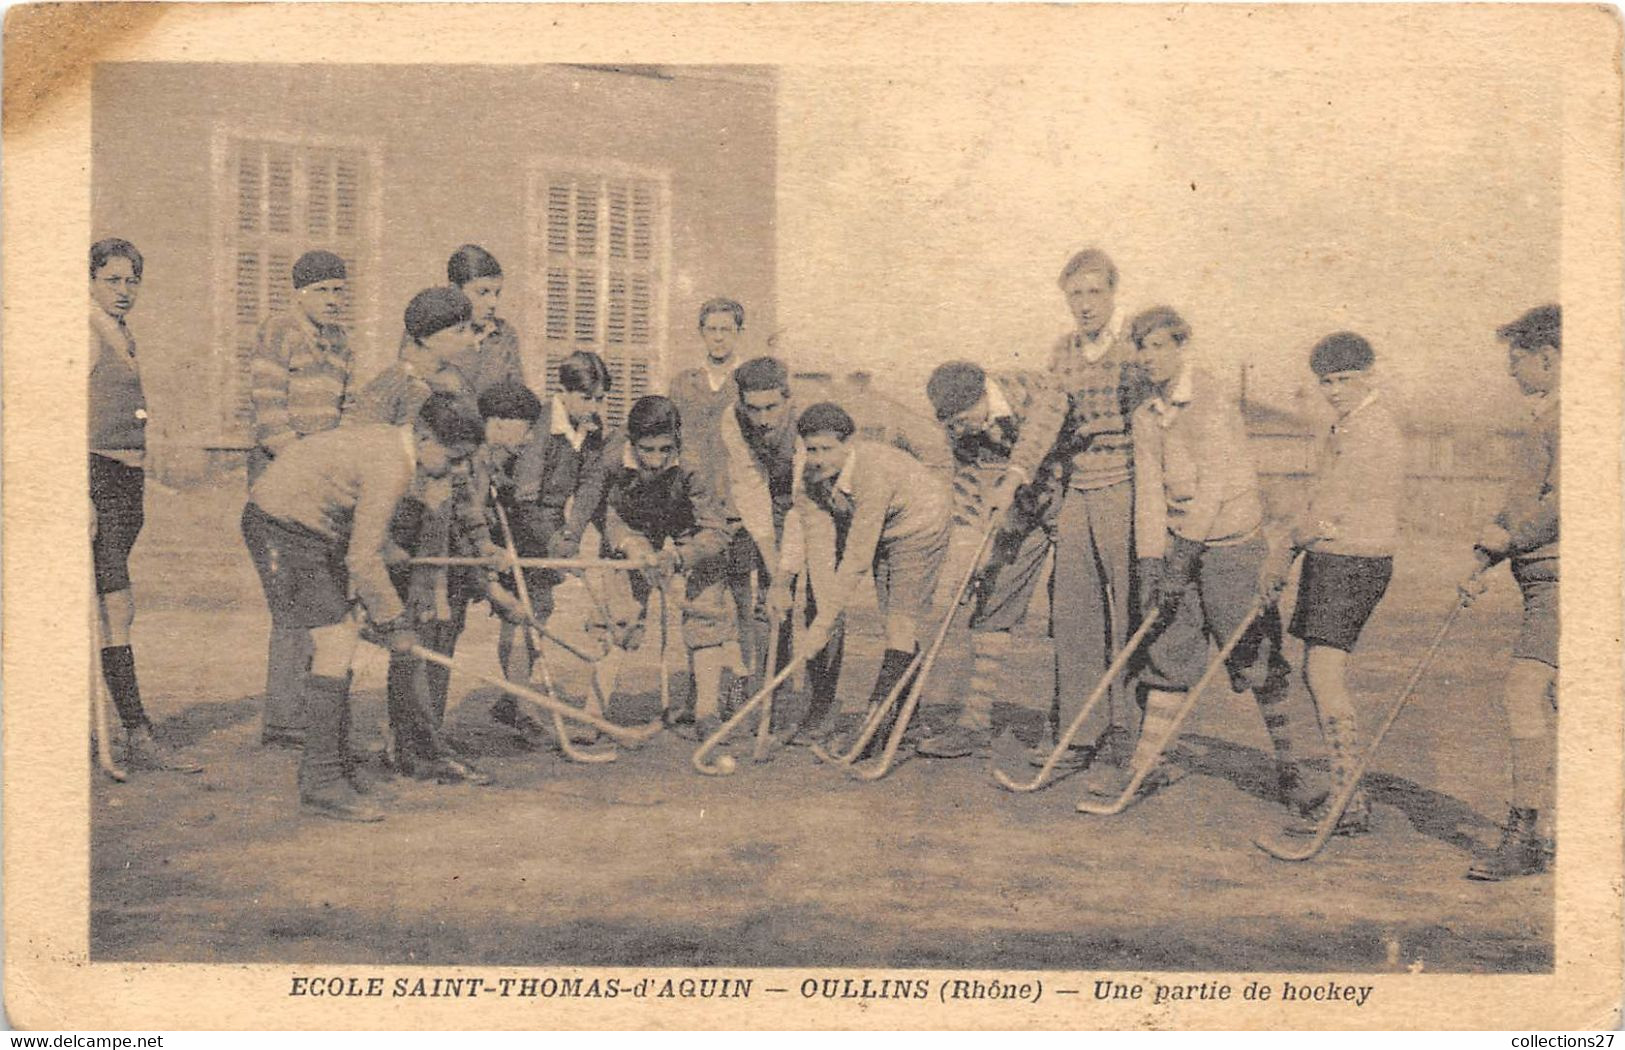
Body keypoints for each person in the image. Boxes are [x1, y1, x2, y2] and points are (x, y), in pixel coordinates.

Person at [1102, 306, 1310, 812]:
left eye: (1159, 346)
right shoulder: (1145, 415)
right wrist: (1153, 562)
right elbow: (1150, 493)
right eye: (1142, 347)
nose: (1149, 358)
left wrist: (1184, 555)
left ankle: (1296, 770)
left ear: (1181, 345)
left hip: (1231, 545)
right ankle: (1144, 767)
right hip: (1180, 548)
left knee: (1255, 658)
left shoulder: (1211, 399)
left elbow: (1214, 489)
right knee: (1168, 653)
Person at [241, 393, 485, 821]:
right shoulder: (394, 466)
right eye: (454, 456)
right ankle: (321, 781)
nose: (457, 468)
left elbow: (351, 501)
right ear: (426, 437)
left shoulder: (394, 445)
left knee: (341, 639)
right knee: (336, 642)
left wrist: (386, 547)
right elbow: (361, 559)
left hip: (313, 528)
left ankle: (335, 766)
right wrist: (396, 624)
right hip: (281, 527)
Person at [1262, 332, 1405, 837]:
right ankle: (1350, 793)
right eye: (1327, 381)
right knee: (1317, 671)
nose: (1335, 389)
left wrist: (1284, 549)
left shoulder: (1373, 430)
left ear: (1370, 375)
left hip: (1354, 559)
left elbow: (1332, 508)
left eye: (1345, 379)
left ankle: (1348, 797)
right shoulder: (1344, 425)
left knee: (1323, 673)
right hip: (1333, 557)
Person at [917, 361, 1072, 758]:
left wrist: (1013, 484)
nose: (961, 429)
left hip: (1073, 497)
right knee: (994, 603)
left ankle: (1071, 729)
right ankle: (974, 722)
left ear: (983, 395)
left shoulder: (1033, 386)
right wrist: (975, 553)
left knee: (1072, 615)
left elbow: (1035, 445)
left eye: (965, 418)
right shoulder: (960, 428)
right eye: (951, 423)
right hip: (1019, 509)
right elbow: (968, 487)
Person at [88, 238, 201, 774]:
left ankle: (126, 730)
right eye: (113, 280)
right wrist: (76, 496)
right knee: (113, 608)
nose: (125, 291)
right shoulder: (83, 332)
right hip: (93, 481)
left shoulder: (121, 334)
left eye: (132, 281)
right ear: (89, 281)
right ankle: (136, 731)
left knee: (113, 608)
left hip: (123, 483)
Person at [1458, 304, 1560, 881]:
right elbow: (1524, 501)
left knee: (1524, 694)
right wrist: (1482, 554)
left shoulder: (1572, 417)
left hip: (1564, 580)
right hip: (1540, 578)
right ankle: (1541, 835)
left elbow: (1558, 507)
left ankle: (1526, 835)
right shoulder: (1542, 417)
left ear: (1547, 358)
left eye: (1517, 358)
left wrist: (1503, 545)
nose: (1511, 370)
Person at [788, 403, 953, 752]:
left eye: (827, 449)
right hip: (886, 530)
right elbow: (820, 553)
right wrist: (824, 623)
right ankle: (907, 720)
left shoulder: (870, 473)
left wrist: (820, 626)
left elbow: (856, 559)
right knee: (893, 623)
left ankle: (874, 727)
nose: (817, 459)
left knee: (900, 622)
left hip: (921, 524)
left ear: (849, 444)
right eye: (811, 449)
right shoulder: (807, 480)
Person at [248, 249, 354, 749]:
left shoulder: (341, 342)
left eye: (339, 290)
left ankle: (315, 713)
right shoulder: (279, 331)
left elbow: (346, 411)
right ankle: (284, 719)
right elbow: (269, 413)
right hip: (282, 472)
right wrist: (306, 468)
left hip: (323, 480)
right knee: (291, 603)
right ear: (300, 294)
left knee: (323, 596)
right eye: (323, 291)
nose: (333, 300)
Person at [1043, 248, 1144, 772]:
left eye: (1094, 293)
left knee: (1130, 609)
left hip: (1128, 484)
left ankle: (1128, 730)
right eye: (1074, 294)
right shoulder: (1063, 351)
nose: (1084, 305)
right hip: (1079, 485)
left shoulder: (1132, 350)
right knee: (1074, 612)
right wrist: (1016, 475)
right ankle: (1078, 733)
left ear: (1112, 293)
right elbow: (1045, 418)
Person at [596, 396, 740, 739]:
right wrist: (631, 545)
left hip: (691, 527)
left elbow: (716, 531)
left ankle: (706, 711)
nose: (658, 460)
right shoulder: (611, 457)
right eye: (648, 450)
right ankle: (592, 712)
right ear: (632, 442)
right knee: (619, 612)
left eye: (666, 449)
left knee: (706, 608)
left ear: (677, 439)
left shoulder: (695, 462)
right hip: (633, 526)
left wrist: (679, 557)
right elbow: (604, 512)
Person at [489, 352, 614, 744]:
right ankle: (521, 705)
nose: (594, 408)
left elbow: (592, 484)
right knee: (523, 612)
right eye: (587, 399)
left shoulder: (591, 429)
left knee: (540, 609)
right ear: (564, 392)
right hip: (519, 524)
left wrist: (572, 535)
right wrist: (556, 543)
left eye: (600, 399)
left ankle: (514, 699)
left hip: (553, 528)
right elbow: (525, 498)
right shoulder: (542, 426)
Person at [711, 356, 809, 713]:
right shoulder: (732, 420)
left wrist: (784, 576)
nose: (763, 419)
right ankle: (767, 686)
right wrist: (774, 571)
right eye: (754, 409)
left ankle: (815, 704)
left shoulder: (805, 421)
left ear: (788, 399)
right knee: (764, 597)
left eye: (771, 408)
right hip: (766, 496)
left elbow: (801, 505)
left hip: (814, 499)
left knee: (811, 597)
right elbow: (751, 492)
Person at [445, 244, 529, 396]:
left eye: (497, 293)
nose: (493, 303)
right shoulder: (427, 331)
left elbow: (518, 401)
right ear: (455, 291)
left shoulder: (505, 334)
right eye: (482, 292)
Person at [669, 298, 745, 453]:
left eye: (725, 330)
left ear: (739, 332)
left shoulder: (751, 381)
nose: (718, 338)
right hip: (692, 475)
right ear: (701, 332)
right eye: (712, 329)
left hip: (736, 474)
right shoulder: (682, 382)